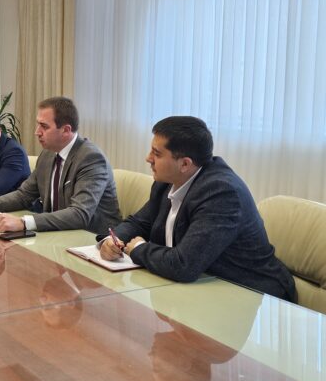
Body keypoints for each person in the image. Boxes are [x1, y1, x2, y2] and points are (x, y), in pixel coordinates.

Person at [100, 116, 296, 302]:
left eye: (157, 154)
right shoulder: (166, 181)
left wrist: (139, 249)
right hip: (197, 287)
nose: (148, 158)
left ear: (185, 163)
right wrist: (112, 240)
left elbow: (184, 265)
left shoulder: (221, 193)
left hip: (251, 293)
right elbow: (139, 222)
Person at [0, 97, 120, 234]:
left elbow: (79, 214)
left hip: (93, 240)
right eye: (38, 125)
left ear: (66, 130)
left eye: (44, 126)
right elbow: (23, 195)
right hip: (56, 234)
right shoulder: (47, 155)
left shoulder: (91, 158)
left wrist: (24, 222)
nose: (37, 132)